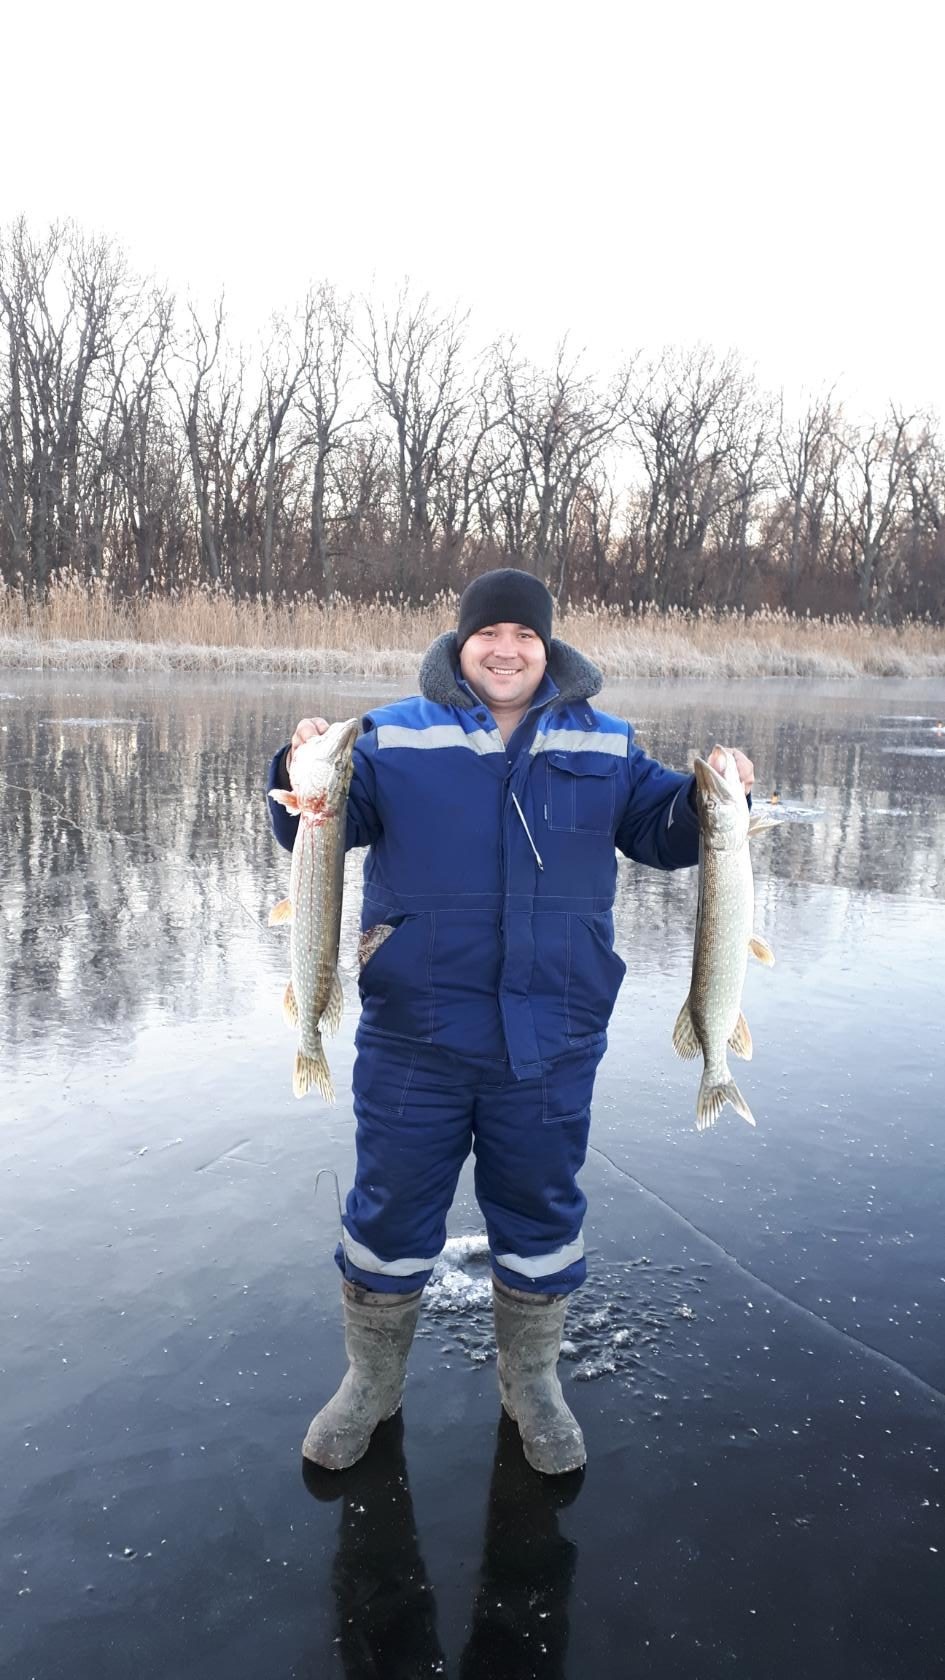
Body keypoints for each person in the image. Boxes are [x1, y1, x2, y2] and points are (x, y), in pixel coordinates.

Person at [266, 568, 753, 1476]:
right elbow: (313, 830)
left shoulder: (604, 741)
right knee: (388, 1209)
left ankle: (531, 1382)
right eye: (487, 632)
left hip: (553, 1034)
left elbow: (665, 832)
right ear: (460, 644)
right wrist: (294, 772)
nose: (505, 649)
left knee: (539, 1209)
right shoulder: (390, 736)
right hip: (415, 1033)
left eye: (524, 635)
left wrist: (713, 798)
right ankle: (370, 1382)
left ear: (547, 646)